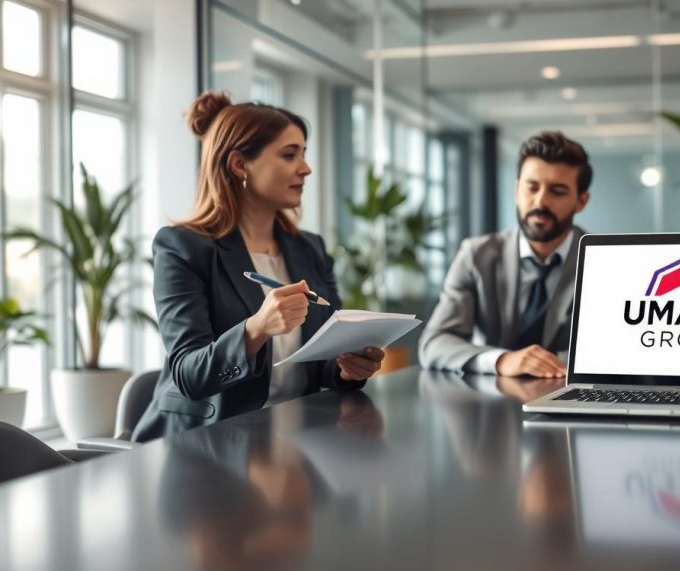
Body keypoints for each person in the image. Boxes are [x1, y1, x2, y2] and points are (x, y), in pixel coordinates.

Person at [132, 91, 384, 442]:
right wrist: (256, 329)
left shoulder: (309, 249)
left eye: (304, 154)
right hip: (205, 443)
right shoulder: (183, 248)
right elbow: (189, 375)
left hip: (294, 437)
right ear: (239, 165)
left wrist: (347, 368)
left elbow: (324, 357)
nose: (306, 168)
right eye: (289, 155)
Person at [419, 131, 592, 378]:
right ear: (516, 189)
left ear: (581, 201)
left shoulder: (603, 262)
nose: (540, 201)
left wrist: (548, 364)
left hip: (571, 395)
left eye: (557, 191)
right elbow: (434, 343)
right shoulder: (476, 255)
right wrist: (501, 360)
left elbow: (617, 349)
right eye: (531, 188)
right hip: (489, 394)